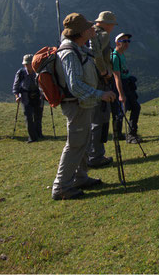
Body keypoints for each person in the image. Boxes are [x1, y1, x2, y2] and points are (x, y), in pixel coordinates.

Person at [51, 13, 117, 200]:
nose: (92, 29)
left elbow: (95, 58)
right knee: (75, 144)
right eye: (88, 28)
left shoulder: (78, 48)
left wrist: (94, 41)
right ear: (80, 32)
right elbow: (75, 85)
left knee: (82, 142)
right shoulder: (69, 53)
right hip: (76, 104)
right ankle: (61, 186)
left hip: (82, 103)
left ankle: (80, 177)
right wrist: (100, 94)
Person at [86, 11, 118, 168]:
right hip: (100, 81)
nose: (112, 27)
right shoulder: (103, 35)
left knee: (92, 119)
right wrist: (104, 72)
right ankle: (96, 156)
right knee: (100, 119)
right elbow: (97, 56)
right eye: (112, 24)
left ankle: (90, 154)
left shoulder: (89, 34)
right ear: (106, 24)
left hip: (89, 82)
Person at [111, 32, 143, 144]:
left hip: (126, 84)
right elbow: (117, 77)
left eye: (128, 41)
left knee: (122, 110)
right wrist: (121, 94)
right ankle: (131, 135)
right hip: (122, 86)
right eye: (123, 41)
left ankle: (118, 134)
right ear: (117, 42)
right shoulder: (115, 57)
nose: (126, 44)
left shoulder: (121, 55)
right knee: (133, 108)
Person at [12, 54, 44, 143]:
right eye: (26, 64)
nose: (28, 65)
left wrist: (44, 93)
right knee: (28, 117)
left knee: (38, 115)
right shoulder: (21, 73)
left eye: (29, 63)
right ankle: (32, 137)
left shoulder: (38, 72)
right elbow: (16, 86)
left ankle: (39, 134)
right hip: (25, 96)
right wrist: (17, 96)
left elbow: (42, 84)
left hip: (37, 95)